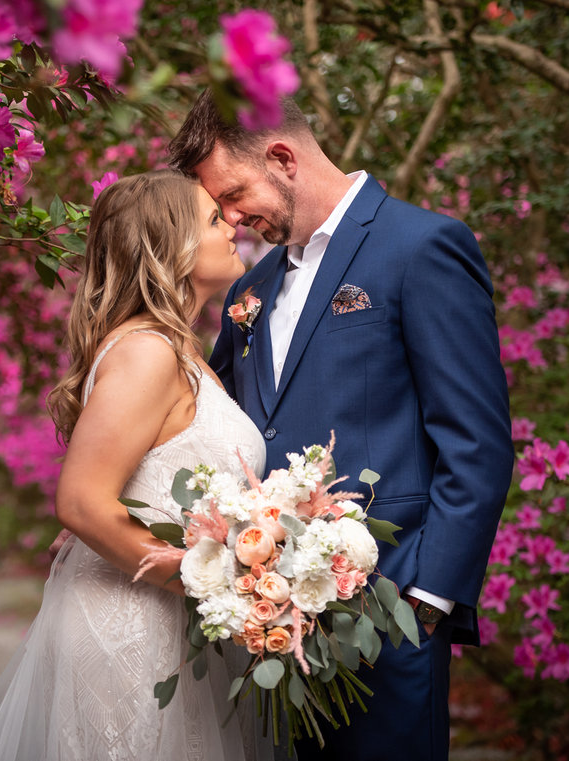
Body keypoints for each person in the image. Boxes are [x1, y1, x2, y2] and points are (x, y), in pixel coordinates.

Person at [169, 91, 514, 761]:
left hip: (390, 612)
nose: (232, 219)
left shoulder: (421, 246)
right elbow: (203, 407)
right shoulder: (252, 288)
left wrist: (426, 601)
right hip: (266, 624)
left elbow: (477, 443)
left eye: (234, 194)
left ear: (282, 157)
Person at [0, 169, 270, 761]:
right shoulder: (148, 351)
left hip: (171, 624)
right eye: (213, 219)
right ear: (170, 246)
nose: (234, 226)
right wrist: (217, 591)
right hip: (132, 629)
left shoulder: (179, 351)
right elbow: (80, 502)